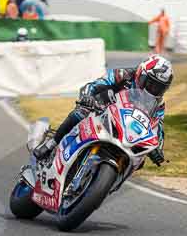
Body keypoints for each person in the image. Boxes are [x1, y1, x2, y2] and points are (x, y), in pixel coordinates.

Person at [33, 54, 173, 164]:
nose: (153, 90)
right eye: (150, 83)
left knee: (139, 160)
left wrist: (157, 148)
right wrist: (87, 97)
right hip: (101, 110)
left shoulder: (158, 104)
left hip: (127, 130)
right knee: (81, 113)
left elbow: (158, 127)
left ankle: (110, 179)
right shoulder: (123, 74)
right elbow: (94, 85)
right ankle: (52, 144)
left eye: (158, 88)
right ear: (140, 74)